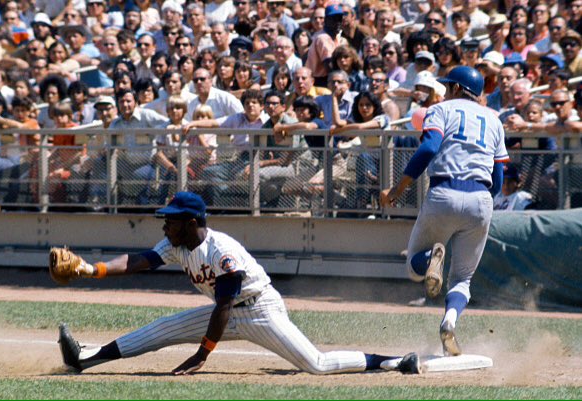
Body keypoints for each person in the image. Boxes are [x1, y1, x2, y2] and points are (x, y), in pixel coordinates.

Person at [55, 191, 421, 375]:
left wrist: (202, 354)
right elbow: (139, 262)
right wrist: (91, 270)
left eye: (171, 220)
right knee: (160, 330)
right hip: (224, 310)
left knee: (316, 364)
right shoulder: (177, 243)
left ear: (191, 221)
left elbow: (226, 305)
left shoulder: (221, 251)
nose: (164, 225)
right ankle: (85, 359)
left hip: (259, 309)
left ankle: (391, 362)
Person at [381, 66, 509, 356]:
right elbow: (499, 176)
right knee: (462, 279)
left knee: (414, 264)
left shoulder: (441, 109)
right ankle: (450, 320)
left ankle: (430, 260)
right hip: (480, 197)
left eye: (446, 85)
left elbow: (428, 150)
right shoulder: (494, 119)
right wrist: (481, 203)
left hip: (444, 191)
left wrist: (398, 189)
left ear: (453, 87)